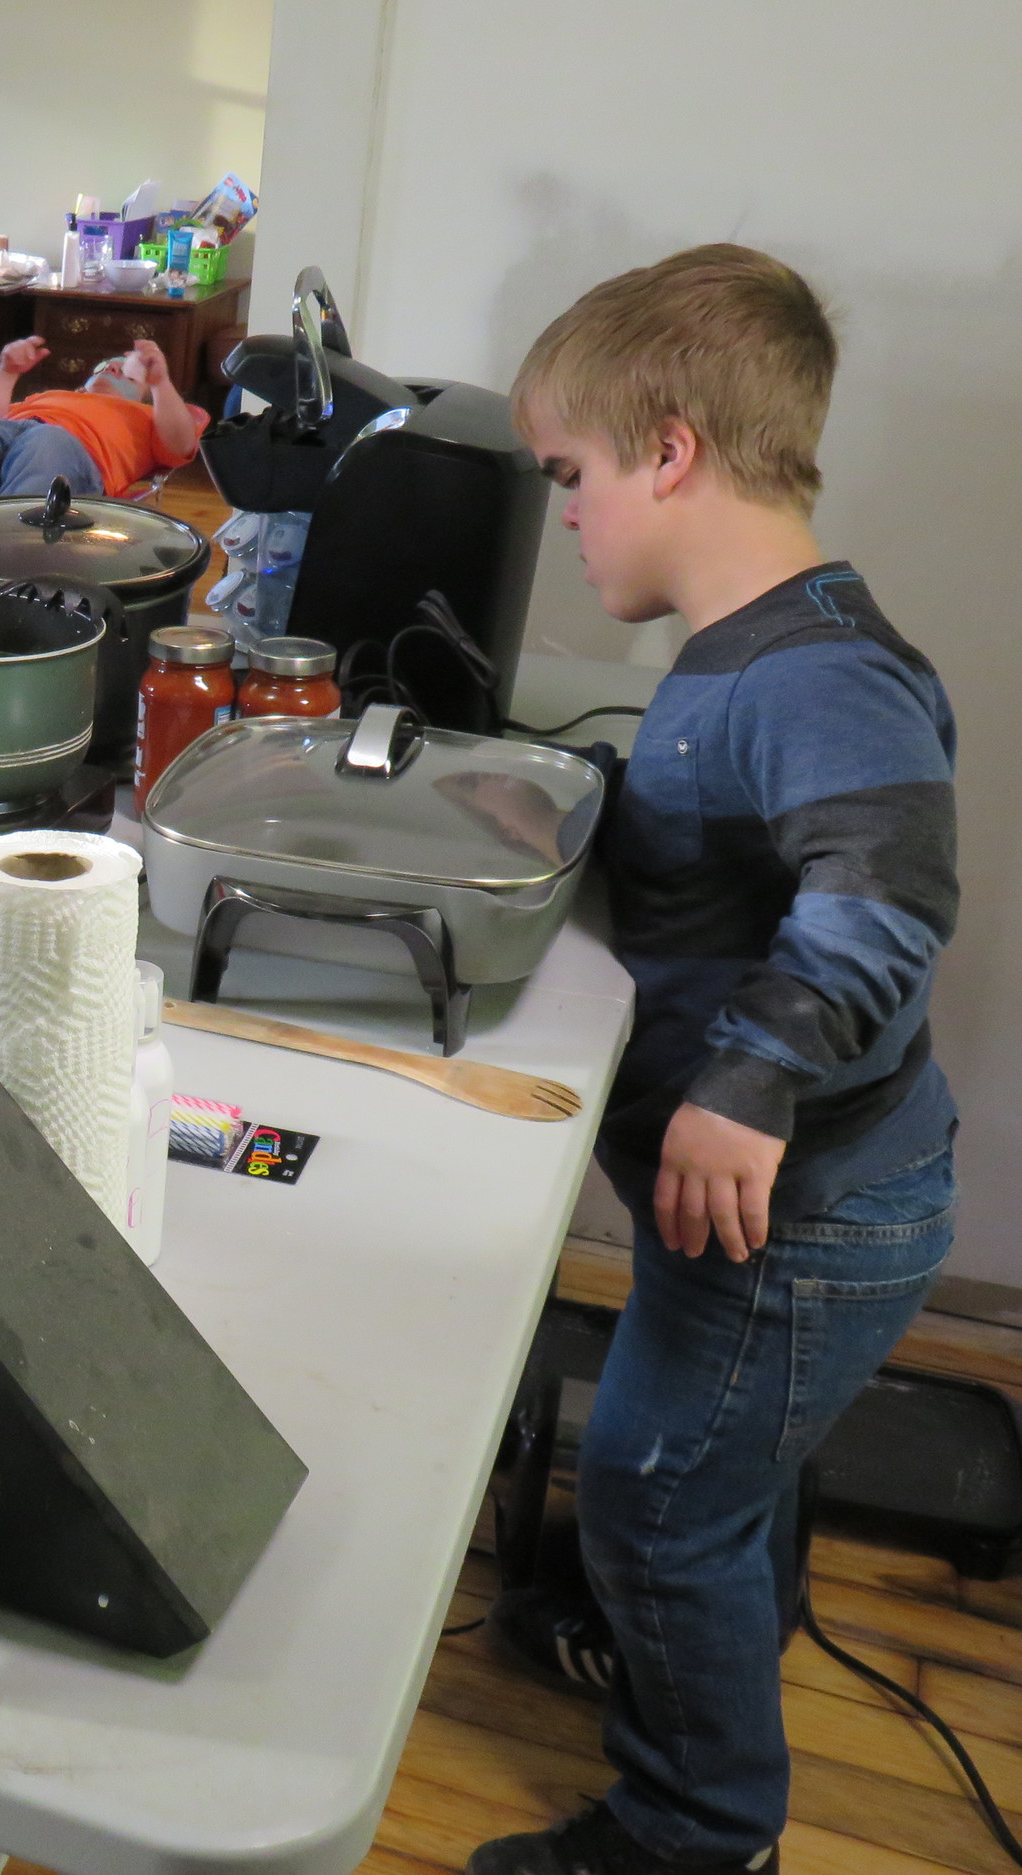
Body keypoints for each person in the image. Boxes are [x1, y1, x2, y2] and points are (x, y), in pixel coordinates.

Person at [468, 246, 959, 1875]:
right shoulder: (747, 648)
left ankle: (693, 1833)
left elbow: (882, 901)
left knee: (657, 1500)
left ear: (669, 451)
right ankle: (691, 1646)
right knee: (717, 1481)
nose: (572, 516)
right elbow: (734, 856)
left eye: (574, 477)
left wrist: (747, 1085)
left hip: (799, 1210)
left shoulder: (824, 672)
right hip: (781, 1212)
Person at [0, 335, 207, 506]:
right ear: (82, 387)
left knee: (46, 439)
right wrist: (7, 372)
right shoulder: (55, 397)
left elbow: (181, 443)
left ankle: (1, 546)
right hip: (18, 434)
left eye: (129, 375)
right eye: (106, 367)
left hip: (71, 455)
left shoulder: (147, 416)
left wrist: (160, 384)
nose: (113, 371)